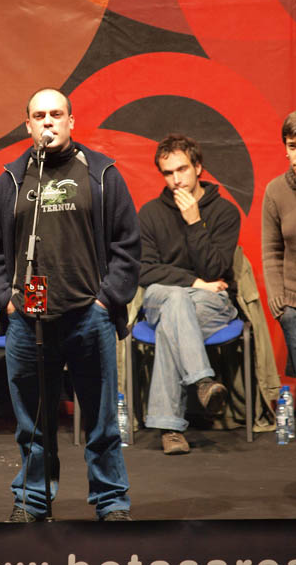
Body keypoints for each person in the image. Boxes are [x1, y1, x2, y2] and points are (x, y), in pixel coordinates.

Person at [0, 88, 141, 522]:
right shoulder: (12, 179)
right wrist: (6, 300)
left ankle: (111, 503)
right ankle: (33, 501)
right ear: (27, 125)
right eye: (39, 115)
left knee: (102, 421)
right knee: (32, 423)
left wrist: (107, 300)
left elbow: (128, 243)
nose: (48, 122)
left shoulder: (101, 173)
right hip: (29, 317)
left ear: (71, 121)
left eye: (56, 114)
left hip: (89, 313)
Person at [138, 134, 240, 455]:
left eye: (182, 169)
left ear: (198, 167)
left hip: (211, 303)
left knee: (171, 323)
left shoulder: (225, 212)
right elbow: (144, 271)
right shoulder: (150, 213)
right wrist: (193, 283)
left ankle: (169, 428)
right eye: (168, 173)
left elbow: (216, 270)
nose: (176, 179)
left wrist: (195, 222)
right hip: (163, 296)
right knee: (176, 300)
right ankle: (202, 381)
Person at [262, 112, 296, 377]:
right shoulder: (275, 191)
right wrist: (280, 304)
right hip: (293, 306)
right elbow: (272, 252)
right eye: (292, 146)